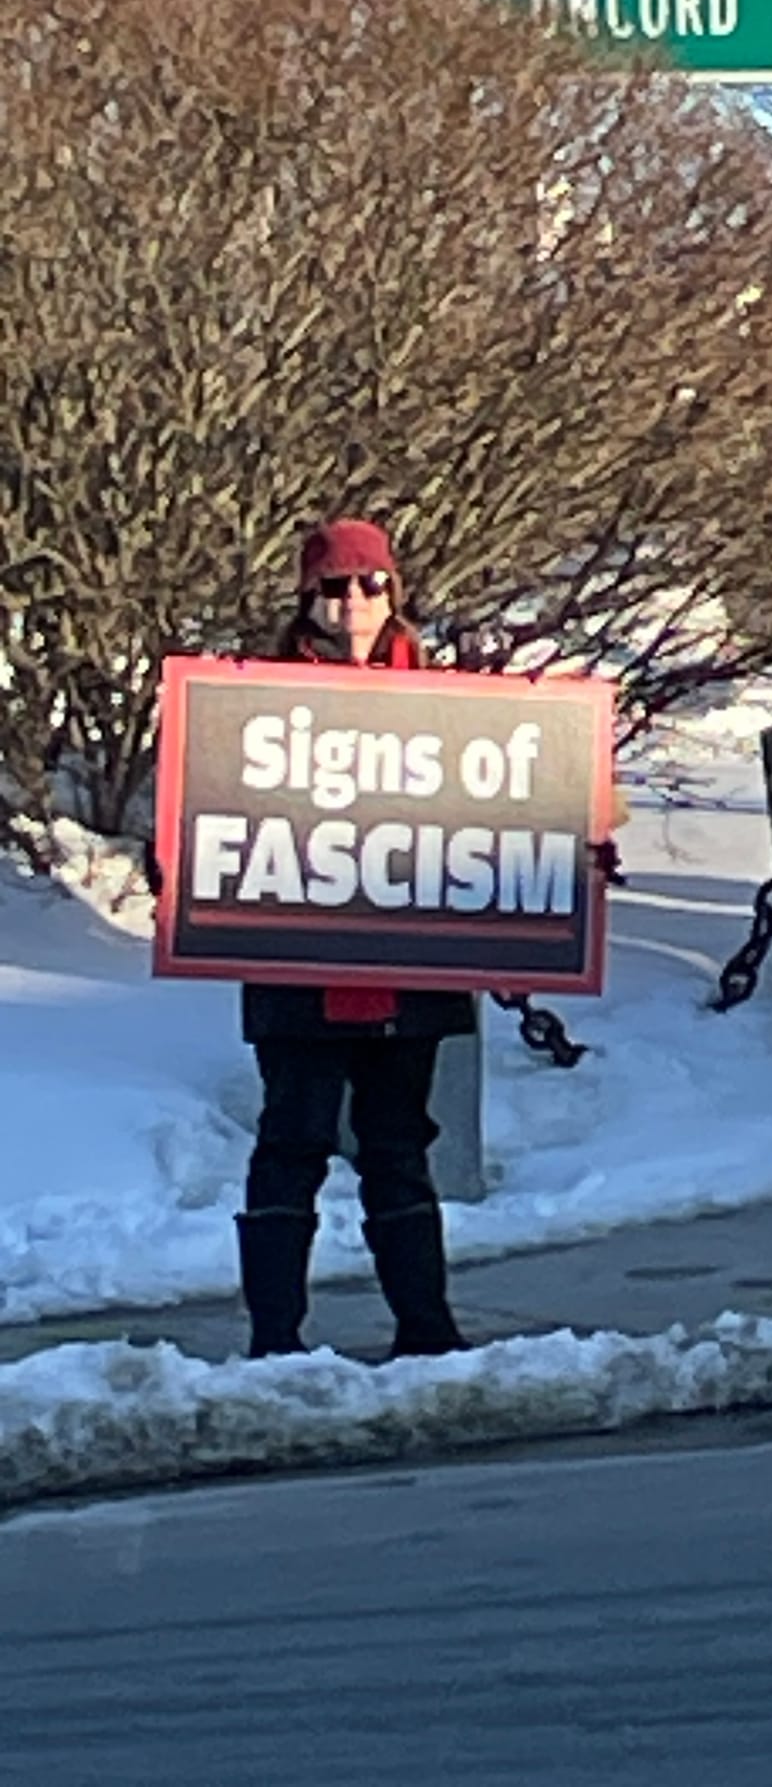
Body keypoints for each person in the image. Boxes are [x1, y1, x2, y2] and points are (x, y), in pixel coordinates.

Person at [234, 518, 474, 1357]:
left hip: (410, 964)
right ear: (309, 597)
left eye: (370, 584)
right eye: (335, 586)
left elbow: (496, 807)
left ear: (394, 590)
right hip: (297, 963)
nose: (353, 604)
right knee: (292, 1141)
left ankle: (428, 1330)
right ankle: (274, 1340)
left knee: (399, 1146)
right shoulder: (254, 700)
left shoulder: (448, 703)